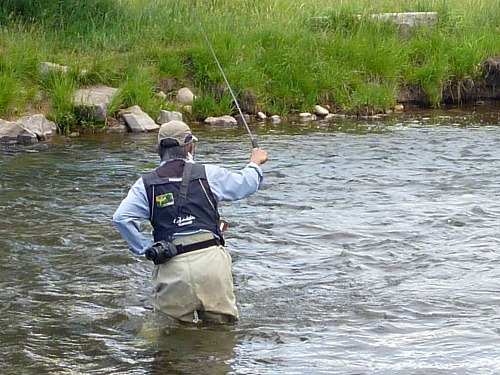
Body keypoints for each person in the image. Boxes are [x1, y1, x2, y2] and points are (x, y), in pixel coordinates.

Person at [113, 120, 268, 323]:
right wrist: (254, 164)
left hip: (171, 264)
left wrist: (145, 248)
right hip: (211, 262)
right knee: (222, 335)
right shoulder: (209, 174)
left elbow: (121, 218)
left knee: (168, 336)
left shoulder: (145, 184)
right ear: (191, 147)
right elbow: (245, 184)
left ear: (158, 149)